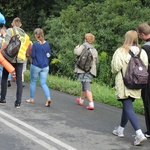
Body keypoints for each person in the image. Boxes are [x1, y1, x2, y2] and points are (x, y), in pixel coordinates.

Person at [111, 30, 148, 146]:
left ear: (126, 38)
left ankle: (139, 134)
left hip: (124, 83)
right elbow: (145, 66)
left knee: (128, 107)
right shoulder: (142, 52)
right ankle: (120, 129)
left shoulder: (121, 51)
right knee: (127, 106)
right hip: (137, 83)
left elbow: (115, 68)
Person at [0, 17, 31, 108]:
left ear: (13, 24)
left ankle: (2, 98)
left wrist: (1, 51)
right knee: (19, 81)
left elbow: (6, 44)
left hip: (10, 58)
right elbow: (28, 50)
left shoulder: (11, 30)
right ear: (21, 25)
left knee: (5, 77)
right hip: (20, 59)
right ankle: (18, 102)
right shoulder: (26, 36)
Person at [26, 28, 52, 107]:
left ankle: (32, 98)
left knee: (33, 81)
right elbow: (49, 55)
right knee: (43, 83)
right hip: (45, 66)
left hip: (36, 65)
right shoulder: (47, 44)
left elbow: (33, 55)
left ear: (36, 35)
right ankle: (48, 98)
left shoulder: (35, 44)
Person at [74, 33, 98, 110]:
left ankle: (91, 104)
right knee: (84, 85)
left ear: (85, 39)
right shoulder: (94, 50)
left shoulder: (83, 46)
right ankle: (81, 100)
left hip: (81, 69)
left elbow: (76, 52)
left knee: (87, 87)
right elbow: (96, 61)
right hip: (90, 70)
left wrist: (76, 47)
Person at [137, 23, 150, 138]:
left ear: (142, 34)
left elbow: (141, 66)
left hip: (148, 80)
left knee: (148, 103)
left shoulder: (145, 48)